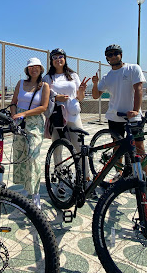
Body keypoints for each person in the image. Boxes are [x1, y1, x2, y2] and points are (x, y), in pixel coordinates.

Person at [92, 44, 147, 177]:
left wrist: (135, 110)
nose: (113, 56)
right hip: (114, 117)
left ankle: (143, 177)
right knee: (118, 148)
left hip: (133, 116)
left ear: (121, 55)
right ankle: (119, 173)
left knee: (139, 147)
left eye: (116, 53)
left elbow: (138, 89)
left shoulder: (133, 68)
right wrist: (95, 83)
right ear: (107, 58)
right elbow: (95, 95)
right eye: (110, 55)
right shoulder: (107, 76)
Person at [10, 58, 50, 210]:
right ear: (27, 70)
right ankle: (26, 188)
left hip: (34, 124)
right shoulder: (20, 83)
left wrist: (24, 114)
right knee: (21, 155)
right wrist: (15, 115)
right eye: (30, 67)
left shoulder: (44, 86)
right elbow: (13, 102)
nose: (33, 69)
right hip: (19, 122)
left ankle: (36, 193)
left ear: (41, 69)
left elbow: (43, 107)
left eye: (36, 67)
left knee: (33, 157)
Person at [43, 48, 90, 158]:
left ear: (65, 59)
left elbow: (80, 97)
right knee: (57, 148)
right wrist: (56, 97)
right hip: (57, 116)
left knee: (79, 147)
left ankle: (85, 174)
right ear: (51, 60)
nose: (58, 59)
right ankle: (58, 172)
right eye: (55, 57)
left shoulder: (73, 75)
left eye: (60, 57)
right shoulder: (47, 78)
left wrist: (82, 90)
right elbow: (45, 97)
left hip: (73, 116)